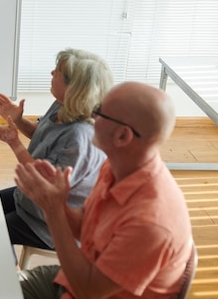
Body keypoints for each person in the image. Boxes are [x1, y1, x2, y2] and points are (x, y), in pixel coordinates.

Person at [16, 82, 192, 299]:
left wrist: (52, 211)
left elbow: (88, 292)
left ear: (122, 136)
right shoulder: (117, 166)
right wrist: (58, 201)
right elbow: (86, 225)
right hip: (73, 279)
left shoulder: (150, 222)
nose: (91, 117)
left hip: (85, 287)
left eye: (98, 112)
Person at [0, 48, 114, 251]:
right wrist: (18, 120)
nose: (52, 73)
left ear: (74, 88)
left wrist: (13, 142)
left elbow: (45, 182)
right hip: (30, 199)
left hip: (50, 224)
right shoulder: (63, 106)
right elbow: (43, 135)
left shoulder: (80, 137)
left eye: (57, 71)